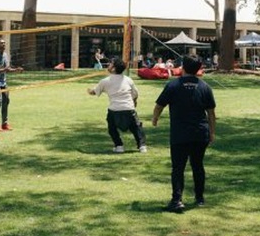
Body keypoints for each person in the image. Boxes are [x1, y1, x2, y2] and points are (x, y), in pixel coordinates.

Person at [152, 54, 216, 213]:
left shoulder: (173, 85)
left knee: (178, 168)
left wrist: (155, 119)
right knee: (197, 165)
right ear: (199, 69)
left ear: (183, 68)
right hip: (200, 133)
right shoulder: (204, 87)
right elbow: (211, 113)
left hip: (180, 134)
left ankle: (177, 200)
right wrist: (212, 132)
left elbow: (159, 105)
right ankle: (199, 198)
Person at [88, 58, 146, 153]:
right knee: (136, 127)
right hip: (129, 108)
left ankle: (119, 146)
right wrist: (134, 101)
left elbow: (94, 92)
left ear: (114, 69)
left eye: (111, 63)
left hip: (114, 110)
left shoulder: (105, 81)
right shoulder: (128, 80)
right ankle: (142, 146)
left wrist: (89, 91)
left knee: (112, 128)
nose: (108, 65)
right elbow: (135, 93)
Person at [0, 38, 21, 131]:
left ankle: (5, 123)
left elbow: (8, 68)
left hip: (4, 82)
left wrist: (15, 70)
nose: (3, 45)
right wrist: (4, 70)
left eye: (4, 43)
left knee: (6, 101)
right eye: (1, 43)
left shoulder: (5, 55)